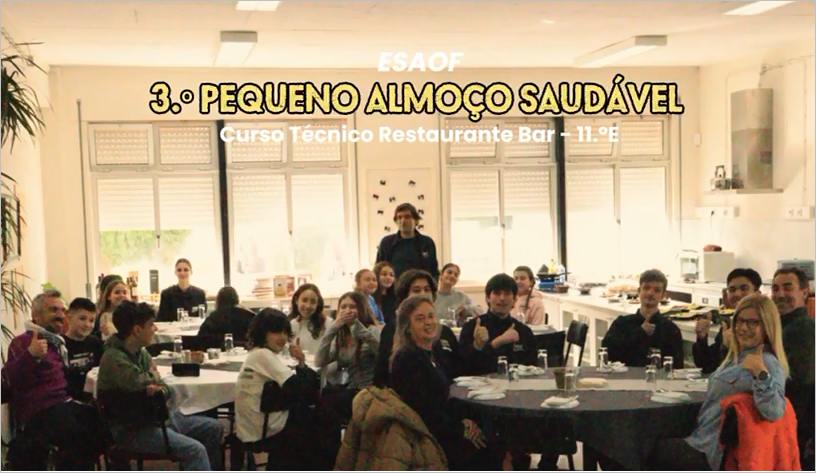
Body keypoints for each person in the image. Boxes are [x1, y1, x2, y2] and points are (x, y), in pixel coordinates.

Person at [647, 294, 789, 471]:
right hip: (703, 436)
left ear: (768, 327)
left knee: (646, 446)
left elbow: (775, 412)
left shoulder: (766, 363)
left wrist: (761, 374)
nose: (744, 328)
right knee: (652, 435)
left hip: (714, 452)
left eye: (753, 323)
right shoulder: (738, 356)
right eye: (740, 321)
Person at [96, 300, 224, 471]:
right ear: (137, 330)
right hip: (131, 429)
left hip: (158, 418)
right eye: (151, 325)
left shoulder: (141, 353)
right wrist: (152, 379)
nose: (155, 329)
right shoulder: (113, 358)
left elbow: (164, 388)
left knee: (214, 428)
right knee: (195, 450)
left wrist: (156, 388)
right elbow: (141, 383)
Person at [390, 295, 502, 471]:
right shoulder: (407, 359)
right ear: (408, 328)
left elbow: (456, 380)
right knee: (489, 448)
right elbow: (424, 411)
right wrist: (461, 427)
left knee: (493, 434)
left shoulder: (434, 352)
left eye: (431, 316)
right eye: (420, 319)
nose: (428, 322)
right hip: (428, 436)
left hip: (447, 425)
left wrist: (466, 421)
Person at [2, 290, 112, 471]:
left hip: (63, 405)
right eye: (53, 310)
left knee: (103, 423)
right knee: (81, 434)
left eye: (62, 310)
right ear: (36, 316)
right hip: (40, 412)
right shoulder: (23, 341)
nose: (60, 315)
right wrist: (31, 355)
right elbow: (7, 381)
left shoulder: (56, 343)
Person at [234, 308, 340, 470]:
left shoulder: (258, 355)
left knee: (322, 414)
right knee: (327, 421)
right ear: (262, 333)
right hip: (264, 428)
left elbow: (301, 389)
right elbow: (301, 388)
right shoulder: (263, 356)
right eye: (276, 332)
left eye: (285, 332)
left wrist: (301, 362)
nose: (282, 337)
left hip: (260, 423)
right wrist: (302, 366)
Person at [373, 269, 461, 388]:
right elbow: (382, 376)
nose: (423, 294)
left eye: (427, 290)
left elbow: (459, 369)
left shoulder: (444, 331)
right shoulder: (393, 330)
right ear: (405, 297)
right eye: (416, 290)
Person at [314, 291, 381, 421]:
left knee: (326, 405)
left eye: (352, 307)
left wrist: (365, 335)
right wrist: (332, 329)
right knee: (320, 395)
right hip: (349, 387)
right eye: (343, 307)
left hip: (367, 390)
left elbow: (383, 356)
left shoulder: (372, 330)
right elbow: (319, 361)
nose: (347, 311)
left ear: (361, 309)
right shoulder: (341, 335)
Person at [601, 269, 684, 369]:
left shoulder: (671, 330)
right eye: (646, 288)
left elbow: (677, 368)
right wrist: (640, 333)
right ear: (639, 291)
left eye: (657, 290)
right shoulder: (621, 324)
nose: (650, 293)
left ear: (663, 296)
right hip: (625, 378)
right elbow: (606, 355)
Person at [458, 273, 537, 375]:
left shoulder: (523, 331)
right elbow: (463, 369)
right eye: (497, 293)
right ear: (487, 298)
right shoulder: (472, 327)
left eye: (507, 294)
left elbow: (533, 368)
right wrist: (484, 345)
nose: (502, 298)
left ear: (515, 299)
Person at [693, 268, 761, 374]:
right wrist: (702, 339)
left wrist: (727, 350)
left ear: (757, 293)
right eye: (732, 290)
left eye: (744, 288)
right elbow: (706, 365)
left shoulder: (763, 326)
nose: (737, 294)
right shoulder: (729, 324)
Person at [375, 202, 440, 281]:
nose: (403, 221)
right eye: (399, 217)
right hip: (393, 287)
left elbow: (433, 272)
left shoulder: (427, 243)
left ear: (416, 220)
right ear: (396, 221)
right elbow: (378, 271)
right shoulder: (387, 243)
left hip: (420, 286)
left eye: (407, 217)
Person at [63, 297, 104, 402]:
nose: (87, 325)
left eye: (91, 320)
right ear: (68, 317)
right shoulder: (61, 344)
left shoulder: (96, 343)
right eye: (82, 319)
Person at [157, 258, 207, 322]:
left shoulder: (200, 294)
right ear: (175, 272)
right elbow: (161, 318)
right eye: (179, 270)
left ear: (191, 272)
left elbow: (202, 318)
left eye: (186, 270)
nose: (182, 273)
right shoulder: (166, 294)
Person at [288, 283, 333, 354]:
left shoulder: (328, 324)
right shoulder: (291, 324)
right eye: (304, 300)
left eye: (313, 302)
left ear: (318, 303)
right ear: (297, 300)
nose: (308, 306)